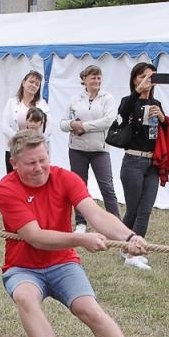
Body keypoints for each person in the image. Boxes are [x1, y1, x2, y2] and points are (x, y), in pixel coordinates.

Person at [0, 129, 163, 337]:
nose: (39, 168)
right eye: (31, 163)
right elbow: (35, 237)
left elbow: (96, 214)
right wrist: (81, 239)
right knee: (25, 297)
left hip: (62, 263)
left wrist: (128, 238)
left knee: (90, 310)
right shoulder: (6, 189)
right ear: (15, 163)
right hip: (23, 267)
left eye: (43, 160)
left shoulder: (66, 178)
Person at [112, 62, 166, 270]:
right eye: (143, 76)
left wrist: (163, 119)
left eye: (151, 77)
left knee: (146, 209)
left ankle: (134, 249)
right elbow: (120, 117)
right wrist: (137, 92)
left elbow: (165, 134)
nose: (148, 80)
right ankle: (126, 248)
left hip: (152, 161)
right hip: (133, 160)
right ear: (135, 79)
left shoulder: (157, 103)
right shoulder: (129, 101)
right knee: (133, 209)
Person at [59, 64, 118, 233]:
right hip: (77, 150)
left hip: (100, 150)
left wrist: (83, 126)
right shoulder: (75, 99)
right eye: (93, 77)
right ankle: (80, 222)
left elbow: (108, 120)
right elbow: (63, 124)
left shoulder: (108, 98)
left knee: (107, 187)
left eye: (99, 77)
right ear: (84, 80)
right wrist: (72, 124)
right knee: (79, 186)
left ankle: (114, 223)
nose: (97, 81)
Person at [1, 70, 43, 172]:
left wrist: (34, 141)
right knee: (13, 180)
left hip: (34, 150)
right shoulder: (11, 102)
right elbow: (5, 126)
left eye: (37, 84)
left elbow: (47, 128)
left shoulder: (42, 104)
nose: (33, 85)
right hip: (15, 149)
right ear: (24, 83)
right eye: (31, 82)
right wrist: (20, 140)